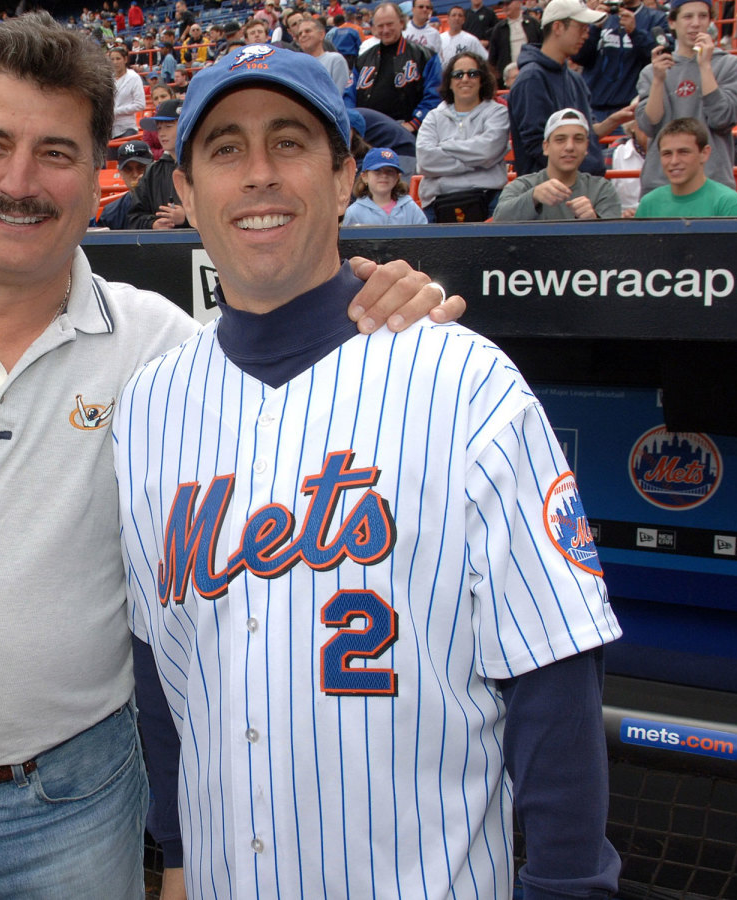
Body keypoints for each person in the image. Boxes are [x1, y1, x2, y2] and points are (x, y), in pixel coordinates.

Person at [0, 15, 466, 900]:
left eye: (56, 153)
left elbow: (293, 350)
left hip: (76, 810)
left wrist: (389, 300)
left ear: (97, 180)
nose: (19, 182)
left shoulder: (166, 350)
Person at [115, 42, 623, 900]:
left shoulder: (464, 379)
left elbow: (555, 676)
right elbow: (163, 682)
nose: (260, 174)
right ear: (187, 189)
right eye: (226, 149)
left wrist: (571, 885)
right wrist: (176, 854)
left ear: (346, 174)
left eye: (291, 142)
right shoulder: (147, 405)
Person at [508, 0, 633, 176]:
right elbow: (538, 145)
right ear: (558, 27)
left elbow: (587, 132)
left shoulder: (574, 78)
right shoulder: (531, 78)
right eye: (581, 28)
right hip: (552, 194)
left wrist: (614, 120)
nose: (586, 35)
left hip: (581, 187)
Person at [635, 0, 737, 195]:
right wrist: (658, 81)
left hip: (713, 183)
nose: (696, 23)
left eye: (703, 16)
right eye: (687, 17)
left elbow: (723, 118)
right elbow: (649, 125)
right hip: (661, 184)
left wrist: (705, 66)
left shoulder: (730, 65)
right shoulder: (652, 71)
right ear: (673, 22)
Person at [416, 52, 510, 221]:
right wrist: (478, 161)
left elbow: (488, 151)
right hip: (438, 203)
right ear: (449, 83)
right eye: (458, 74)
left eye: (473, 73)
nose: (465, 79)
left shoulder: (497, 113)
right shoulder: (433, 117)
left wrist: (445, 146)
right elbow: (425, 161)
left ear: (482, 80)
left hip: (488, 199)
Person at [495, 107, 622, 219]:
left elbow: (613, 239)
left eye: (578, 139)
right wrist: (533, 196)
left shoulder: (601, 188)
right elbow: (499, 218)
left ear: (586, 147)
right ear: (546, 147)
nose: (569, 147)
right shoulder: (523, 185)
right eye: (560, 140)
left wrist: (594, 220)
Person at [348, 1, 442, 135]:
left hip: (407, 133)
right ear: (374, 28)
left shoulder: (425, 56)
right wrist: (353, 124)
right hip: (369, 133)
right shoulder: (363, 60)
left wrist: (414, 123)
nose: (385, 30)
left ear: (402, 23)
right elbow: (348, 97)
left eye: (390, 24)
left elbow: (435, 95)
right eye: (380, 26)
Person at [635, 116, 737, 217]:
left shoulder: (728, 202)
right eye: (667, 154)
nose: (674, 161)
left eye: (683, 152)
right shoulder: (648, 204)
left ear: (704, 153)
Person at [572, 0, 657, 123]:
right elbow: (578, 57)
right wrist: (595, 26)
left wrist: (635, 33)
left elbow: (656, 60)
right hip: (593, 107)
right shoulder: (599, 15)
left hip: (630, 110)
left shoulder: (655, 18)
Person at [126, 99, 189, 229]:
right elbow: (134, 218)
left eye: (168, 126)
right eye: (159, 128)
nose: (162, 133)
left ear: (185, 125)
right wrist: (153, 224)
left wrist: (186, 217)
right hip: (162, 247)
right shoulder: (152, 171)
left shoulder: (202, 167)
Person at [343, 147, 427, 224]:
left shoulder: (410, 208)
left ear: (397, 177)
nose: (384, 176)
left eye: (389, 171)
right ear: (364, 177)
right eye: (377, 171)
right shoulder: (354, 212)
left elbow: (425, 236)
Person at [98, 139, 153, 229]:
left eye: (141, 167)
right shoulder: (110, 214)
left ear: (153, 168)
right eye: (128, 169)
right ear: (120, 173)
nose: (135, 174)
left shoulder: (168, 205)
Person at [489, 0, 543, 81]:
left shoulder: (533, 24)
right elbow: (492, 59)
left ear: (519, 2)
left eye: (508, 3)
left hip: (533, 73)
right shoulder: (498, 29)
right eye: (503, 5)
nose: (505, 7)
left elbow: (542, 47)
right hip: (509, 77)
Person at [297, 16, 351, 96]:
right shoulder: (297, 64)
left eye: (308, 31)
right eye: (300, 34)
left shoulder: (335, 59)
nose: (303, 35)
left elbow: (340, 95)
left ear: (321, 35)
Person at [609, 117, 648, 214]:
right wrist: (619, 216)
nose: (651, 128)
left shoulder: (676, 156)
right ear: (632, 126)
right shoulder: (611, 156)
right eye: (646, 121)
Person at [110, 47, 146, 138]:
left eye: (118, 59)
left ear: (125, 59)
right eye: (112, 59)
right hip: (108, 128)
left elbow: (140, 104)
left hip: (127, 127)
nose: (115, 62)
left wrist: (117, 111)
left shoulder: (134, 77)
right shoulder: (107, 78)